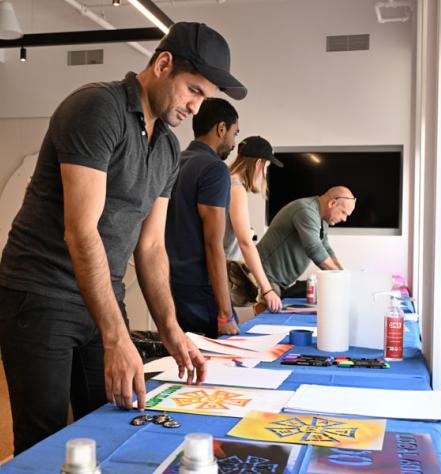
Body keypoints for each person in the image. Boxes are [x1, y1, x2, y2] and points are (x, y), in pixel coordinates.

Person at [0, 22, 247, 455]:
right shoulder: (98, 108)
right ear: (163, 63)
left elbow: (151, 246)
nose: (195, 106)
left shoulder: (169, 148)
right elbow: (82, 230)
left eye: (204, 97)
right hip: (40, 294)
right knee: (44, 440)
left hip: (100, 295)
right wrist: (117, 338)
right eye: (193, 89)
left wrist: (172, 332)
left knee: (113, 421)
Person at [166, 98, 240, 339]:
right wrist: (225, 314)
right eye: (234, 133)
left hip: (171, 283)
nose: (233, 142)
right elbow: (213, 244)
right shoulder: (214, 169)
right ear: (221, 129)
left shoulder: (175, 161)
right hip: (201, 289)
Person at [256, 186, 356, 297]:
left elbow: (325, 248)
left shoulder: (322, 219)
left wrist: (342, 272)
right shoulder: (306, 210)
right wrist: (341, 278)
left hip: (277, 281)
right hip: (265, 277)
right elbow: (315, 250)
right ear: (332, 203)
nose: (344, 219)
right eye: (343, 213)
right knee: (271, 314)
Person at [224, 136, 283, 312]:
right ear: (258, 163)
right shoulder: (236, 189)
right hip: (219, 275)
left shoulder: (223, 180)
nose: (264, 172)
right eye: (266, 166)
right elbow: (245, 243)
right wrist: (267, 290)